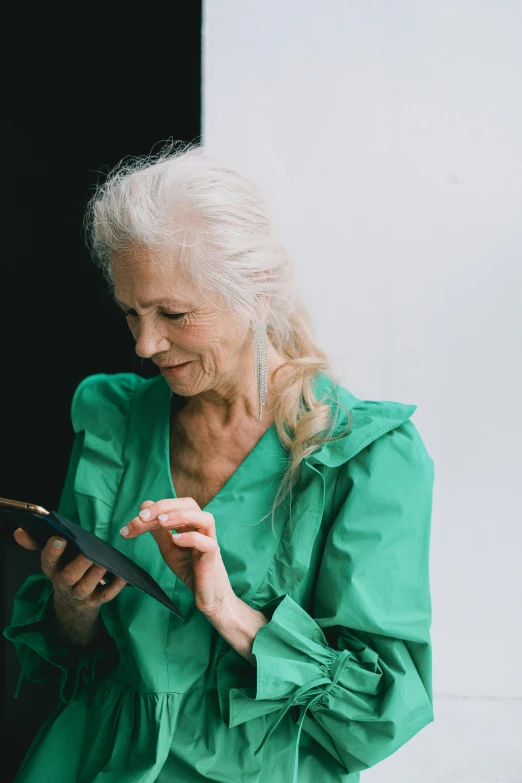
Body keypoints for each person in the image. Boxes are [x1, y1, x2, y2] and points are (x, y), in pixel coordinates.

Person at [4, 143, 435, 783]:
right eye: (130, 312)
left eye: (174, 315)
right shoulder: (113, 420)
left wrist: (229, 610)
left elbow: (376, 714)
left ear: (255, 292)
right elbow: (67, 670)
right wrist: (75, 606)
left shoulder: (368, 458)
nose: (145, 345)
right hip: (92, 760)